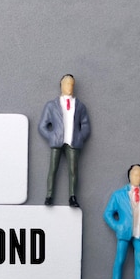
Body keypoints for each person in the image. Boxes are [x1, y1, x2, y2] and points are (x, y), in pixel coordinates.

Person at [38, 74, 91, 207]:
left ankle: (72, 196)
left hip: (73, 142)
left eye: (72, 84)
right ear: (61, 85)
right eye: (67, 84)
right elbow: (42, 126)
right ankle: (49, 195)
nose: (70, 87)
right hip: (57, 141)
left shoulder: (80, 106)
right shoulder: (51, 105)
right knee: (53, 169)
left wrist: (80, 136)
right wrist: (51, 136)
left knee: (73, 170)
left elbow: (85, 125)